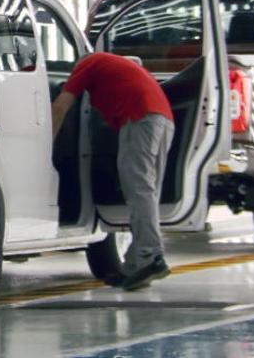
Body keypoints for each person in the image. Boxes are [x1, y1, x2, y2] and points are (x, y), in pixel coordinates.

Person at [51, 52, 174, 291]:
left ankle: (151, 255)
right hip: (162, 117)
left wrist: (46, 144)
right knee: (146, 190)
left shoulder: (86, 65)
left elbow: (61, 105)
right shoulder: (112, 66)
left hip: (140, 116)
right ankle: (136, 264)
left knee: (139, 188)